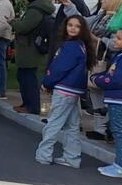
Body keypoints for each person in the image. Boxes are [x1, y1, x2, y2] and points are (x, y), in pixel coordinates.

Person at [34, 15, 94, 168]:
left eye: (77, 26)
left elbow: (59, 68)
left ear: (82, 29)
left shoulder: (70, 46)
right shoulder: (81, 46)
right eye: (70, 25)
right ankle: (72, 157)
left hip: (64, 89)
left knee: (54, 122)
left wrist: (47, 83)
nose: (73, 28)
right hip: (74, 91)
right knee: (72, 126)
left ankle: (44, 154)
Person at [94, 27, 122, 178]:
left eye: (119, 38)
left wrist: (99, 80)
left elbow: (118, 79)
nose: (115, 40)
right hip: (119, 98)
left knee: (120, 131)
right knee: (118, 130)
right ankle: (119, 163)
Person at [12, 0, 55, 116]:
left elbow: (24, 27)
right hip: (33, 47)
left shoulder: (34, 10)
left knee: (28, 79)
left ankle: (31, 106)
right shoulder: (42, 8)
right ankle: (27, 104)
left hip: (29, 48)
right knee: (24, 76)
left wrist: (13, 23)